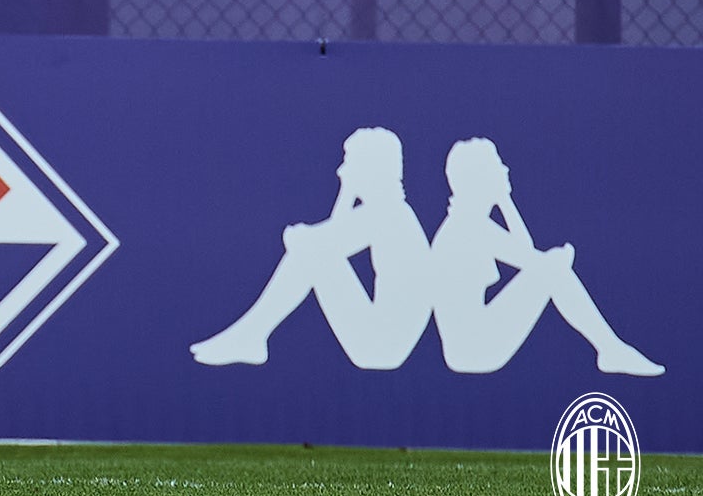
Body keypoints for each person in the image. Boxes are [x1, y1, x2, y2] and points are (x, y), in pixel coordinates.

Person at [190, 127, 433, 369]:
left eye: (349, 164)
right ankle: (250, 335)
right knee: (312, 251)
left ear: (369, 169)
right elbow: (331, 237)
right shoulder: (390, 211)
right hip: (383, 344)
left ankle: (250, 335)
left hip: (381, 347)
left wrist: (306, 230)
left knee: (309, 252)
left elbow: (318, 241)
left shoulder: (385, 213)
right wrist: (345, 195)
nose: (341, 172)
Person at [428, 138, 663, 376]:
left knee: (551, 267)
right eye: (497, 165)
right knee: (553, 269)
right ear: (480, 178)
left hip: (468, 349)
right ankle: (611, 350)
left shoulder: (468, 224)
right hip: (474, 350)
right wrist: (556, 261)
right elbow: (531, 259)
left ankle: (611, 349)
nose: (505, 170)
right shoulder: (469, 228)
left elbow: (524, 252)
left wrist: (505, 201)